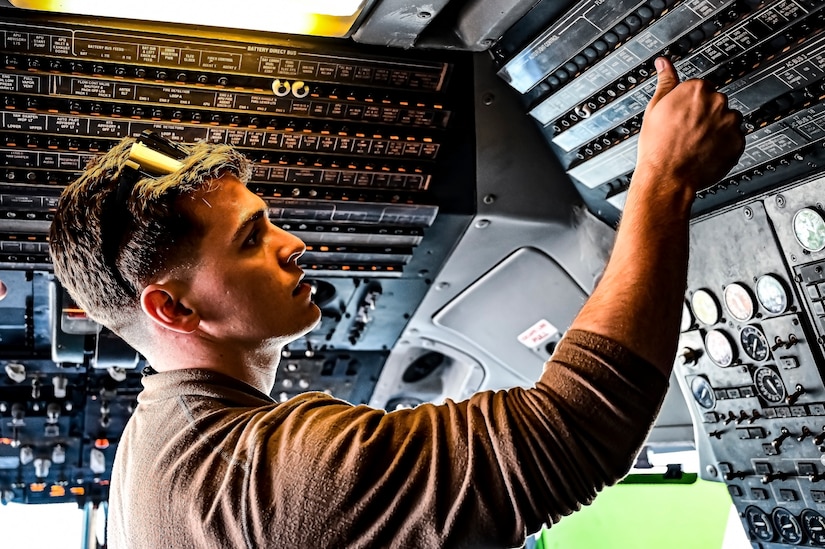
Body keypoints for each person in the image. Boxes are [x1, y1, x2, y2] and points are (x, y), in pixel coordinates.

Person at [48, 57, 744, 548]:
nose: (293, 244)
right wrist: (664, 176)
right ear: (172, 308)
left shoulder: (154, 445)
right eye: (252, 238)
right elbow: (578, 428)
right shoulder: (271, 478)